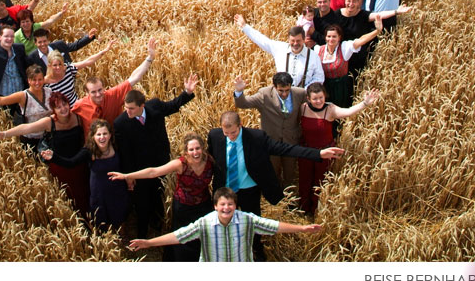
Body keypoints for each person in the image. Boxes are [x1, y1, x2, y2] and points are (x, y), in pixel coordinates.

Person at [207, 113, 343, 259]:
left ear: (240, 125)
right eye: (226, 133)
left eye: (233, 132)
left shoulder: (256, 138)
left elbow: (284, 149)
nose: (230, 136)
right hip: (225, 192)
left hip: (249, 191)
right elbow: (207, 158)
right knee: (223, 223)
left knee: (253, 224)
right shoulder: (215, 136)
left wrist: (319, 154)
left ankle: (256, 250)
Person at [128, 187, 322, 262]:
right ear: (215, 206)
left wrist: (302, 228)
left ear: (236, 206)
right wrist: (149, 243)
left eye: (230, 204)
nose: (226, 208)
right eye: (223, 205)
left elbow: (273, 226)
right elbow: (179, 236)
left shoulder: (247, 220)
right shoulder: (205, 223)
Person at [113, 74, 198, 239]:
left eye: (131, 108)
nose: (127, 111)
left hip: (160, 163)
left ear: (142, 106)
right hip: (140, 169)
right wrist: (130, 176)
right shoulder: (120, 123)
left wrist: (187, 92)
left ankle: (158, 225)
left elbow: (173, 106)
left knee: (159, 195)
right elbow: (125, 153)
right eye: (126, 107)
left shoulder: (155, 106)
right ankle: (143, 233)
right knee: (142, 201)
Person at [109, 131, 213, 262]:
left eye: (198, 148)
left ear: (203, 148)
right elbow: (153, 172)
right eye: (191, 149)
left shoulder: (209, 161)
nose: (195, 152)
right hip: (184, 208)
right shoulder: (180, 164)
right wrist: (127, 176)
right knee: (183, 241)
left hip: (204, 206)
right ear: (186, 152)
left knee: (203, 237)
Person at [0, 91, 88, 214]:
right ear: (53, 110)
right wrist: (4, 134)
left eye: (64, 104)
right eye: (58, 107)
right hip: (60, 167)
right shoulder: (49, 122)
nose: (63, 109)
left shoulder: (77, 117)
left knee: (84, 194)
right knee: (68, 197)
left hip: (79, 164)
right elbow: (27, 127)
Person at [298, 83, 379, 214]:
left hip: (326, 152)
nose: (318, 101)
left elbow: (348, 112)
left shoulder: (330, 109)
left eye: (321, 97)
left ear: (325, 96)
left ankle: (316, 210)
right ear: (308, 99)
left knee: (321, 181)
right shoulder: (303, 108)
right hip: (307, 151)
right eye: (315, 98)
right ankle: (303, 209)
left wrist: (365, 103)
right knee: (304, 180)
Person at [42, 119, 129, 230]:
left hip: (117, 189)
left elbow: (126, 164)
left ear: (110, 135)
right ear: (93, 136)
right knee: (100, 218)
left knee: (119, 214)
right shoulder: (89, 151)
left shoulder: (116, 146)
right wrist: (54, 157)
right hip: (99, 192)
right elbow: (71, 163)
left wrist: (129, 178)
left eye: (105, 133)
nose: (102, 137)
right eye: (98, 134)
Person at [232, 72, 307, 192]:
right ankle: (276, 198)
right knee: (273, 171)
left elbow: (315, 102)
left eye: (287, 90)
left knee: (290, 173)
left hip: (291, 141)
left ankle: (290, 200)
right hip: (271, 141)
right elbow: (242, 103)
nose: (284, 94)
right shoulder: (264, 94)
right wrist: (239, 91)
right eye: (281, 90)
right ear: (274, 87)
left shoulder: (300, 93)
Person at [70, 37, 158, 135]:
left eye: (100, 90)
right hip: (92, 147)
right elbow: (64, 118)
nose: (98, 94)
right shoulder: (80, 106)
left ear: (104, 88)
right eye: (93, 92)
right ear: (86, 93)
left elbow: (133, 78)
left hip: (115, 143)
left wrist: (150, 57)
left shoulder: (113, 95)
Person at [316, 22, 383, 139]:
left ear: (339, 38)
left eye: (334, 36)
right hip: (325, 88)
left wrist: (377, 31)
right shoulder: (319, 50)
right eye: (329, 36)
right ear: (325, 37)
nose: (331, 39)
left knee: (341, 114)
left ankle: (340, 138)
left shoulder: (344, 48)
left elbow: (361, 40)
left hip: (341, 88)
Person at [0, 64, 52, 150]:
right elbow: (0, 100)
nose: (37, 83)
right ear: (28, 81)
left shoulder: (49, 92)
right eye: (34, 80)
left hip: (49, 138)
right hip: (31, 140)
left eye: (40, 79)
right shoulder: (23, 96)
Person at [235, 14, 323, 87]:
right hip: (281, 96)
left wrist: (306, 90)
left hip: (304, 99)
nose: (295, 43)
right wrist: (244, 27)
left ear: (304, 40)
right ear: (288, 40)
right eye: (292, 41)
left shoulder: (313, 56)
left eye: (298, 41)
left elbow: (319, 78)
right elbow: (262, 40)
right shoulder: (280, 48)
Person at [44, 42, 114, 105]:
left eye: (60, 64)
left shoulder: (69, 69)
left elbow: (88, 61)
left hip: (76, 106)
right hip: (61, 112)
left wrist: (105, 50)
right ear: (50, 66)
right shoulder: (46, 82)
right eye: (55, 65)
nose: (58, 67)